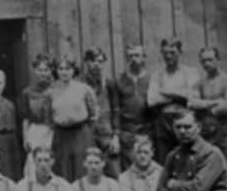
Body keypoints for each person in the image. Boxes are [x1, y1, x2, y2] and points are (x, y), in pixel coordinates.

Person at [188, 47, 227, 189]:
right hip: (205, 137)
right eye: (203, 61)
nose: (207, 63)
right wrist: (213, 103)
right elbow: (191, 103)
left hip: (224, 135)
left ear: (218, 60)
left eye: (210, 59)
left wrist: (205, 108)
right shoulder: (199, 84)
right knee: (206, 175)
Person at [147, 38, 201, 165]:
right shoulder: (157, 75)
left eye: (172, 52)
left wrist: (167, 92)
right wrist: (180, 95)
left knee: (188, 160)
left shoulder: (190, 72)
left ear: (180, 52)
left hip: (185, 123)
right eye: (165, 53)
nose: (168, 56)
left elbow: (193, 96)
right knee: (164, 161)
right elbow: (152, 100)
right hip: (163, 124)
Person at [49, 56, 99, 183]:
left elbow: (94, 114)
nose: (64, 72)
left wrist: (87, 131)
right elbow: (49, 115)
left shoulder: (84, 89)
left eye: (68, 68)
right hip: (61, 135)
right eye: (60, 69)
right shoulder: (51, 91)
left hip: (80, 134)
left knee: (81, 169)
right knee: (62, 170)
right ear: (56, 71)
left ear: (74, 70)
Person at [83, 48, 121, 178]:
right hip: (88, 134)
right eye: (93, 61)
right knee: (89, 173)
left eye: (100, 61)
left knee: (115, 174)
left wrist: (116, 137)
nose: (96, 65)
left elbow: (116, 110)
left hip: (107, 135)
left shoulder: (109, 83)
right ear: (86, 62)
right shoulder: (80, 84)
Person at [17, 54, 55, 180]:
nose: (43, 73)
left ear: (50, 71)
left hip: (53, 130)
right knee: (33, 163)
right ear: (34, 71)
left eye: (46, 70)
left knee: (52, 162)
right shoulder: (27, 92)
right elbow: (25, 117)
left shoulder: (56, 89)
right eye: (39, 70)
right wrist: (25, 137)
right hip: (36, 131)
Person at [115, 44, 152, 169]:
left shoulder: (152, 79)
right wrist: (117, 134)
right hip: (127, 133)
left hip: (148, 131)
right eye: (130, 56)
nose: (133, 58)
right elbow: (115, 109)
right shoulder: (119, 79)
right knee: (129, 170)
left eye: (137, 55)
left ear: (144, 57)